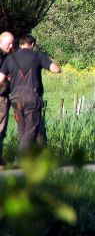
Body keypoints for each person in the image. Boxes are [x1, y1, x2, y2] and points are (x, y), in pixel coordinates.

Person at [0, 34, 61, 152]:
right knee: (32, 128)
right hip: (32, 98)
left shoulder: (10, 58)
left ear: (20, 44)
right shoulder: (38, 56)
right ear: (33, 44)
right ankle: (21, 157)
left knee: (22, 128)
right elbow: (57, 69)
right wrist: (49, 59)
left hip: (16, 99)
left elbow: (1, 79)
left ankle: (30, 159)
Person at [0, 32, 15, 164]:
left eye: (12, 43)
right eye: (8, 43)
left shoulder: (6, 56)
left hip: (4, 95)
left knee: (2, 128)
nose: (11, 46)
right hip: (0, 96)